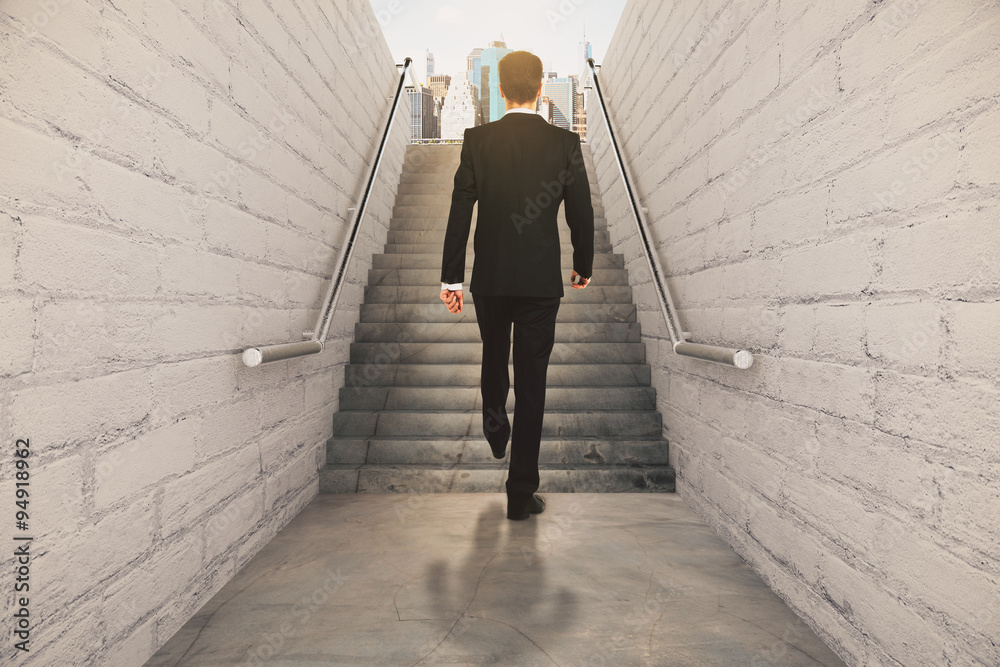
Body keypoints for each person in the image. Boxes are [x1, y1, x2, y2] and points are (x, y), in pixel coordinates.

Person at [439, 50, 595, 521]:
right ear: (541, 88)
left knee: (492, 353)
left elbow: (460, 210)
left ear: (501, 90)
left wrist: (452, 278)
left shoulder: (477, 140)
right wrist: (582, 265)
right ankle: (521, 494)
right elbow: (580, 213)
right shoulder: (564, 143)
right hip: (540, 282)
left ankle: (493, 425)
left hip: (489, 277)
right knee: (532, 384)